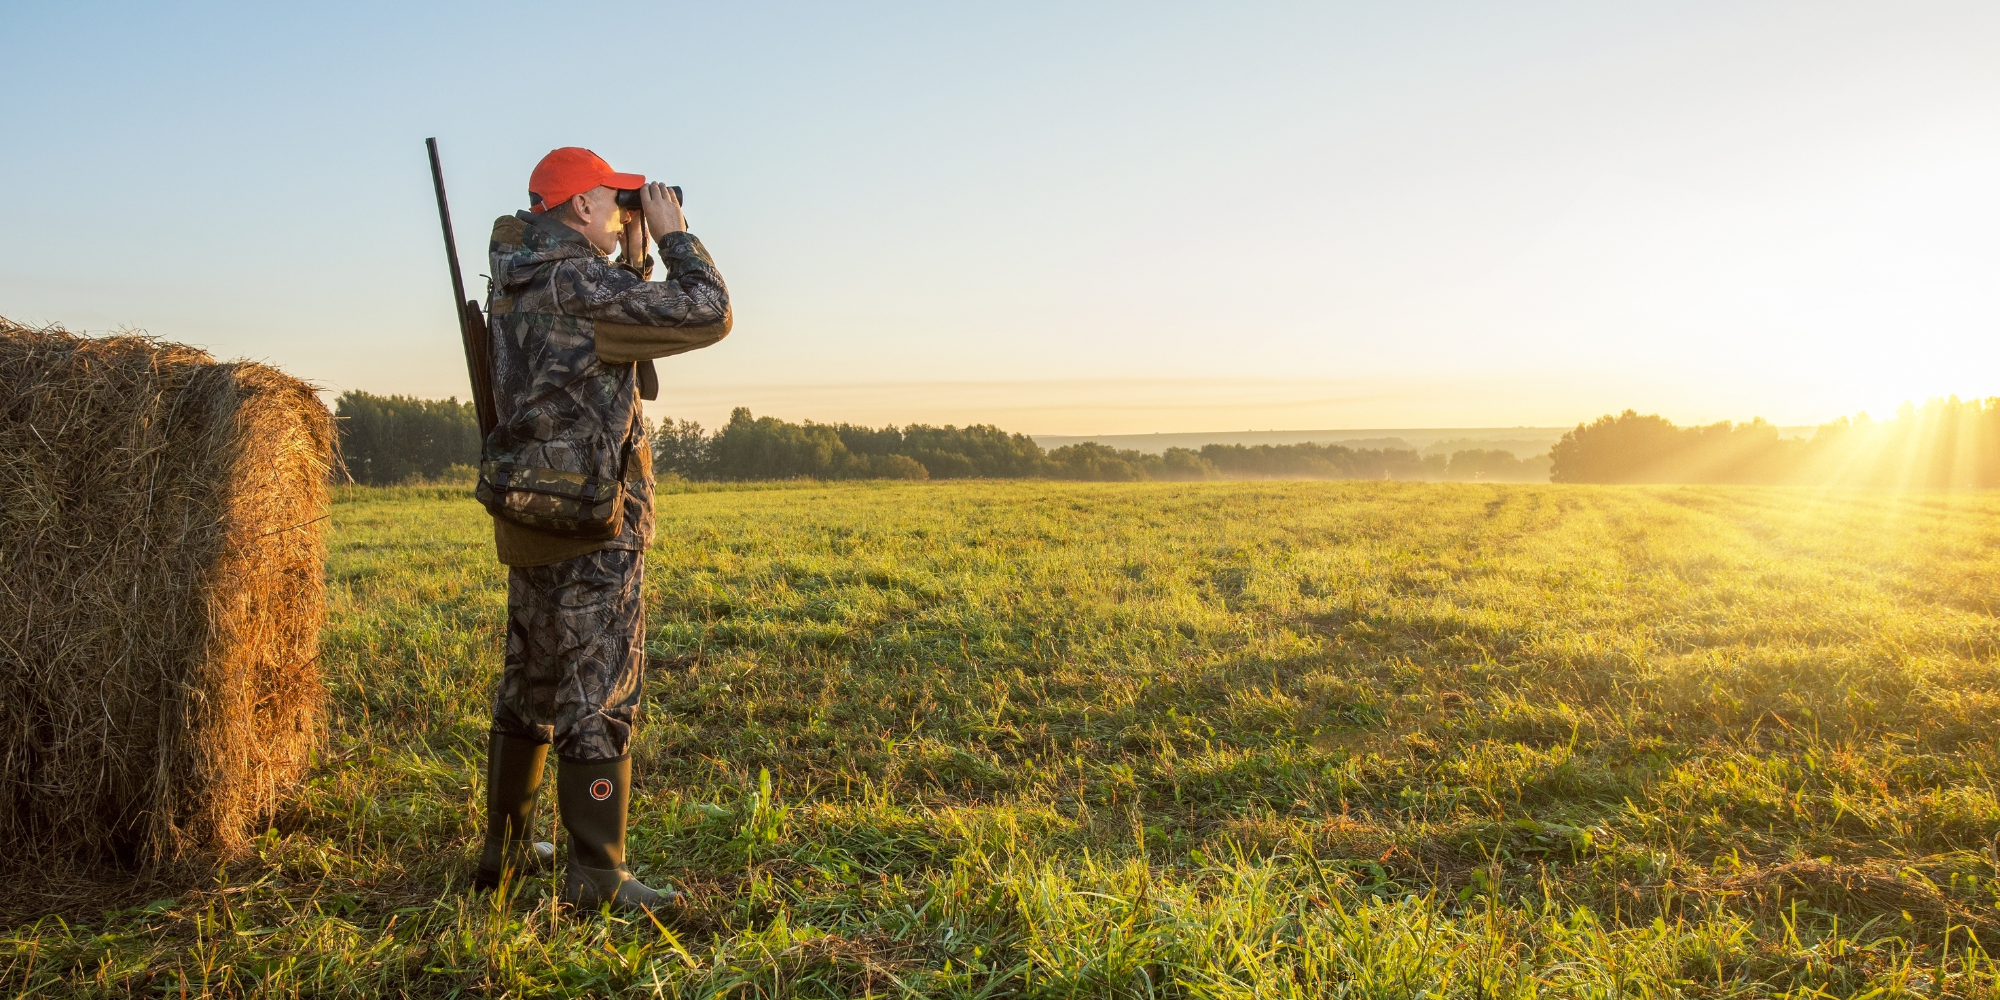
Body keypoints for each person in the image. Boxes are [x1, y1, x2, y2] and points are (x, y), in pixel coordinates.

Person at [471, 147, 730, 912]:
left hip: (531, 511)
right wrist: (676, 237)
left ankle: (505, 850)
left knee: (533, 679)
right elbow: (710, 310)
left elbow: (607, 341)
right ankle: (596, 872)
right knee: (600, 690)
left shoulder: (519, 278)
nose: (625, 215)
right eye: (615, 202)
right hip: (592, 519)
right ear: (579, 206)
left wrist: (636, 268)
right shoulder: (584, 281)